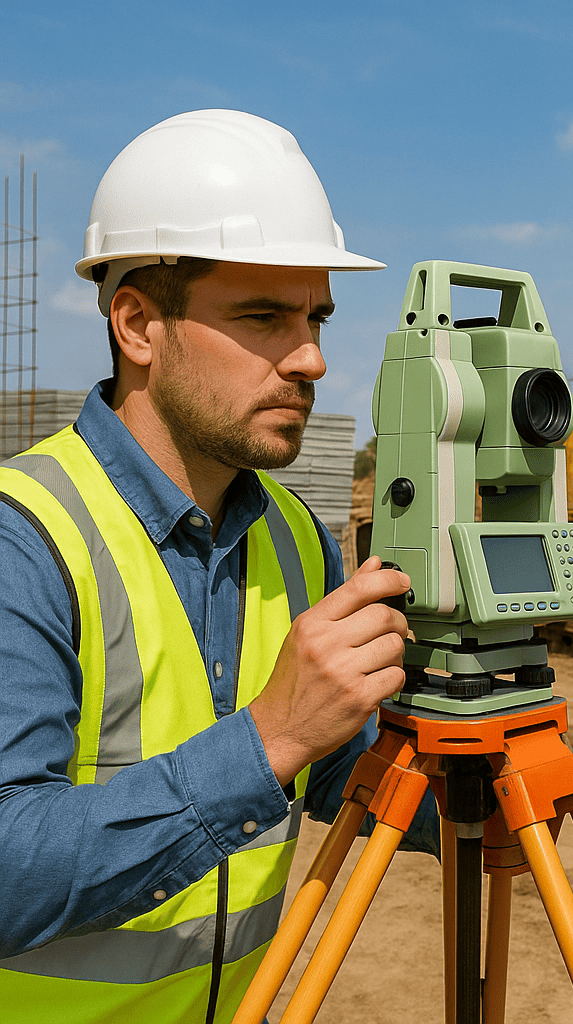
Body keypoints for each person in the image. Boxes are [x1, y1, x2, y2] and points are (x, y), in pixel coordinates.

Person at [0, 109, 436, 1022]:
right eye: (263, 317)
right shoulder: (25, 537)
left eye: (315, 318)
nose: (312, 358)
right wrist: (266, 741)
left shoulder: (296, 533)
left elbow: (333, 769)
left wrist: (472, 767)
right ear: (138, 325)